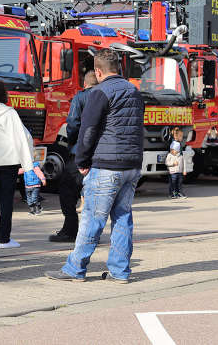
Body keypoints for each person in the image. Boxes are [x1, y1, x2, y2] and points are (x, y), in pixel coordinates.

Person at [45, 48, 144, 283]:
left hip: (106, 164)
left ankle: (75, 269)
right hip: (132, 164)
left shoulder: (100, 92)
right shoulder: (134, 91)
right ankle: (120, 272)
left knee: (92, 218)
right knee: (123, 218)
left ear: (98, 71)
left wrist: (82, 159)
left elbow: (88, 130)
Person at [0, 80, 34, 249]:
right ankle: (5, 239)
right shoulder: (10, 113)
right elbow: (23, 137)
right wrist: (28, 165)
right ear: (3, 94)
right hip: (9, 162)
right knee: (6, 200)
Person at [50, 70, 98, 243]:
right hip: (101, 153)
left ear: (84, 84)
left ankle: (70, 230)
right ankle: (91, 233)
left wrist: (72, 143)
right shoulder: (107, 96)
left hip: (80, 151)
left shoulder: (81, 97)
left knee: (67, 190)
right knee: (93, 195)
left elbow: (73, 123)